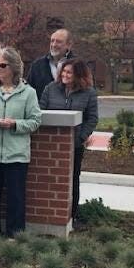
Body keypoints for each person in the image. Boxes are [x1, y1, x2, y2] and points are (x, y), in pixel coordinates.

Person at [0, 47, 42, 237]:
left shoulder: (28, 93)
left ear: (13, 67)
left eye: (2, 65)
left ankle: (15, 235)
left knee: (16, 197)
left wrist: (15, 125)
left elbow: (35, 121)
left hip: (16, 154)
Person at [40, 58, 99, 219]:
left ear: (79, 75)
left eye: (69, 72)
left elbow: (92, 118)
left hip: (75, 145)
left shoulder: (89, 93)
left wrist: (80, 138)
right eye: (64, 71)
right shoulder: (51, 89)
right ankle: (49, 211)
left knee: (72, 178)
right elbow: (41, 111)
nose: (65, 75)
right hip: (51, 144)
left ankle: (72, 214)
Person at [26, 28, 73, 99]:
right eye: (52, 41)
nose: (54, 45)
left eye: (59, 42)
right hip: (43, 109)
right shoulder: (37, 66)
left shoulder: (78, 65)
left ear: (68, 45)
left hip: (71, 109)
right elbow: (29, 92)